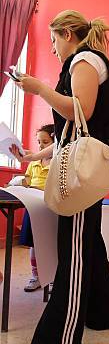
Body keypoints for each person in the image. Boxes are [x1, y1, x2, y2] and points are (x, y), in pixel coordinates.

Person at [15, 10, 109, 344]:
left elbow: (78, 111)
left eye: (53, 39)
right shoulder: (83, 61)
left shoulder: (83, 59)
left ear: (67, 33)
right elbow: (74, 134)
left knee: (75, 250)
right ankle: (103, 313)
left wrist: (39, 89)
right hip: (88, 165)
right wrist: (35, 157)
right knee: (88, 241)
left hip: (84, 174)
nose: (52, 47)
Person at [10, 124, 54, 292]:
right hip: (32, 206)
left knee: (51, 243)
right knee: (33, 243)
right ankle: (36, 276)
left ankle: (53, 279)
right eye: (39, 142)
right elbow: (27, 180)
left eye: (46, 141)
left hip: (50, 207)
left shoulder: (58, 161)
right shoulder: (34, 161)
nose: (41, 145)